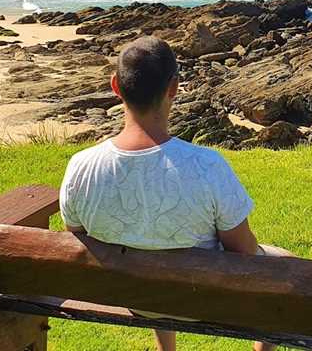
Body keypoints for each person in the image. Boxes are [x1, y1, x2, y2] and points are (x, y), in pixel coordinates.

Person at [59, 35, 286, 351]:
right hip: (199, 301)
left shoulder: (81, 167)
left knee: (149, 244)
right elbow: (244, 253)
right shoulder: (207, 166)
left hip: (130, 296)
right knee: (284, 262)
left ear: (115, 86)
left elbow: (79, 239)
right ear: (174, 88)